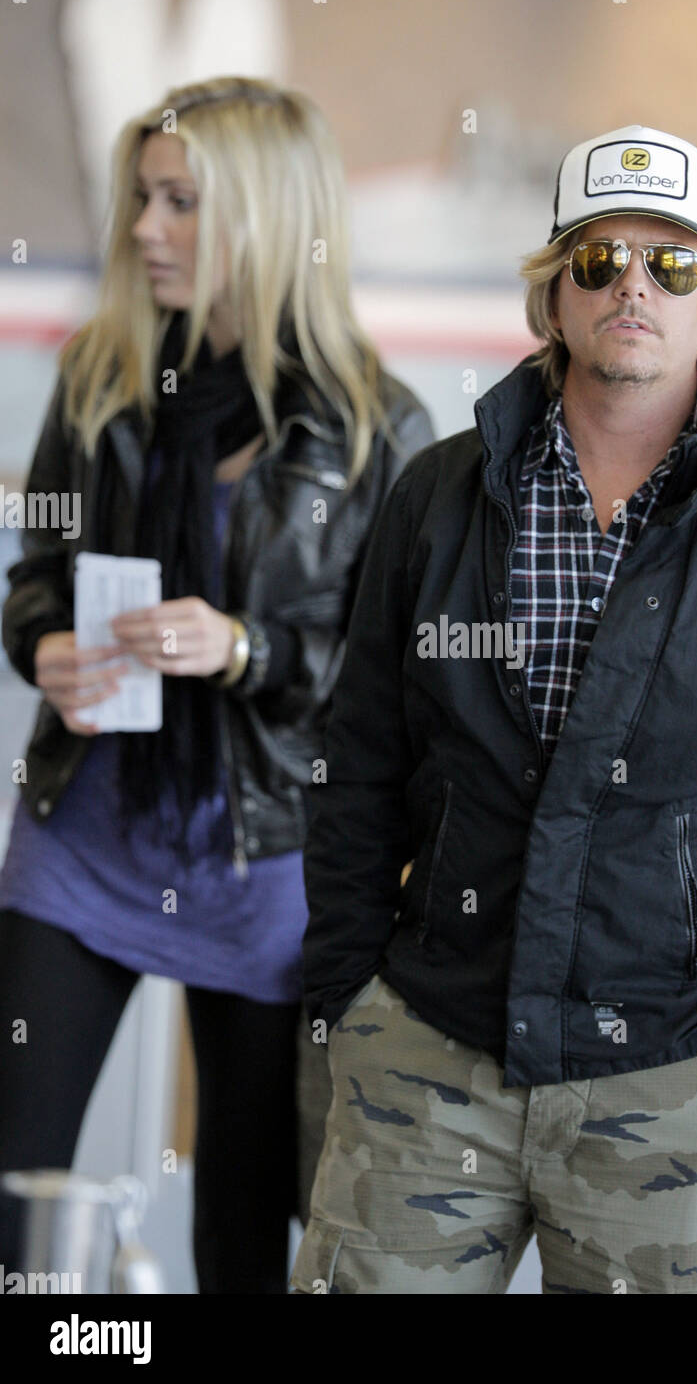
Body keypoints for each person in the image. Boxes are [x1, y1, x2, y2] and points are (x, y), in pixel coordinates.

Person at [290, 123, 697, 1295]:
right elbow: (358, 753)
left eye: (672, 264)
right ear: (554, 300)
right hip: (427, 1059)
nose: (633, 285)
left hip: (673, 1087)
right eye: (599, 260)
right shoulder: (439, 495)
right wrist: (350, 992)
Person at [0, 74, 433, 1293]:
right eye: (144, 198)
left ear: (268, 216)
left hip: (267, 866)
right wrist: (41, 645)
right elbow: (39, 565)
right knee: (13, 1187)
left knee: (240, 1229)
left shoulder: (374, 430)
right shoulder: (106, 374)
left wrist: (246, 649)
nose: (145, 229)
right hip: (86, 833)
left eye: (181, 202)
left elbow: (399, 678)